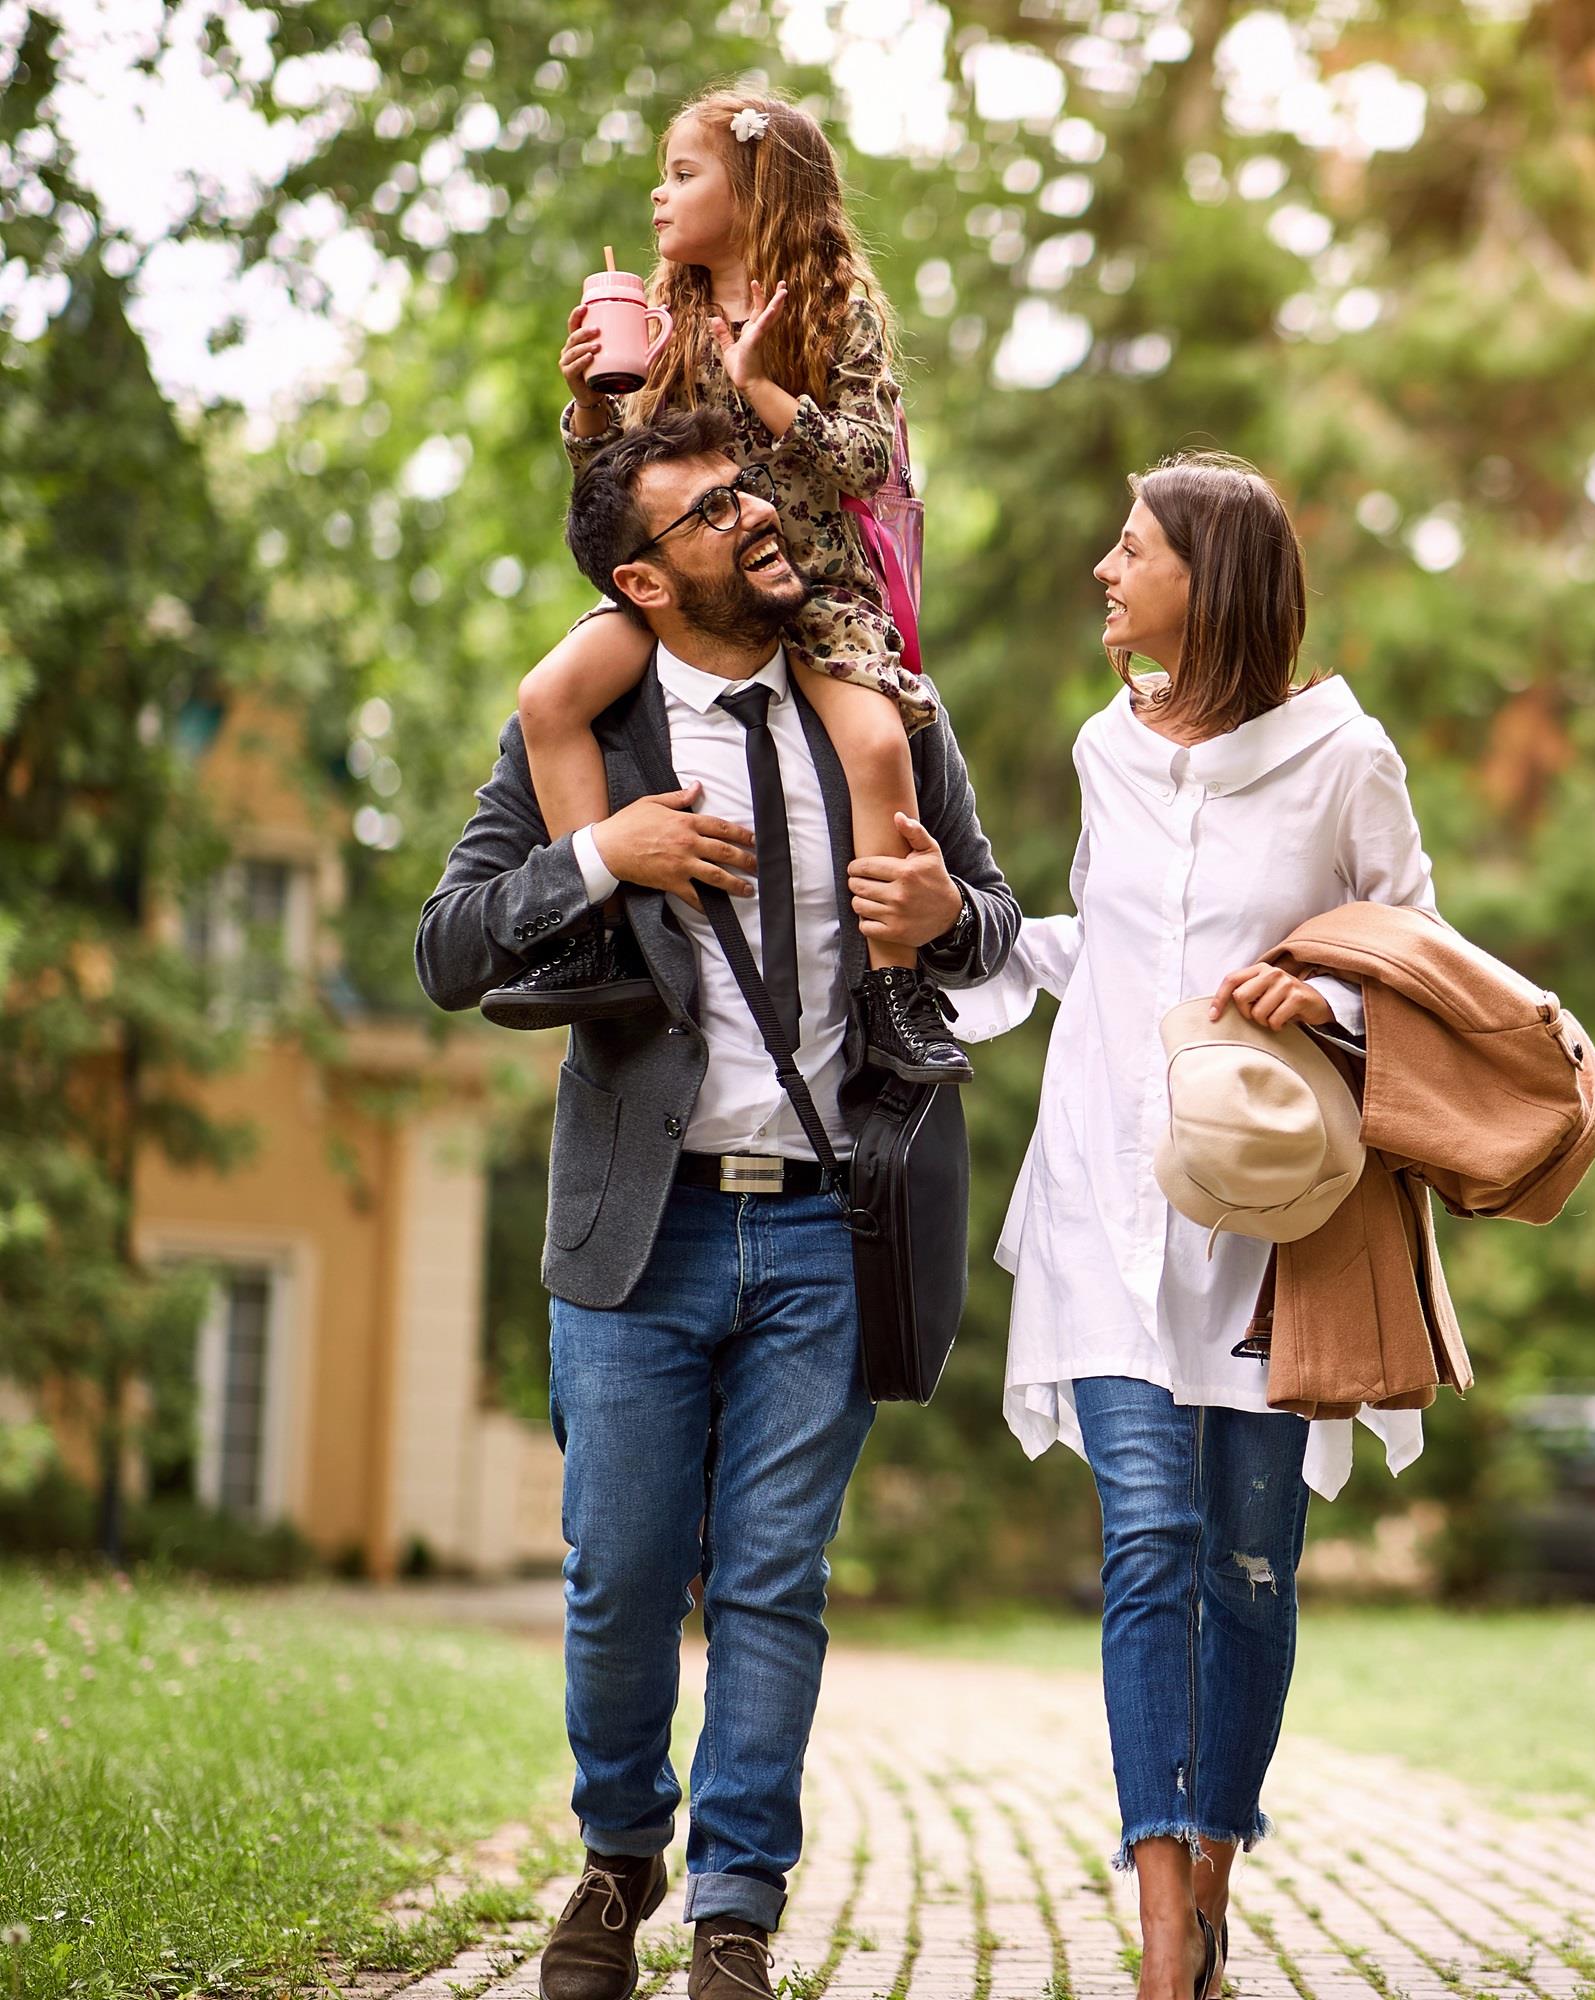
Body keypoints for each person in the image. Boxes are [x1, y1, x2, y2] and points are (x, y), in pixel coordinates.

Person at [413, 405, 1019, 2000]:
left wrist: (949, 916)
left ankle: (737, 1907)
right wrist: (604, 853)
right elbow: (449, 947)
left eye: (748, 489)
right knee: (618, 1574)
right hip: (639, 1227)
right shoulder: (588, 745)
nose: (754, 518)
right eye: (707, 513)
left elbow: (996, 927)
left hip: (828, 1221)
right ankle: (622, 1856)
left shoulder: (881, 712)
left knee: (772, 1579)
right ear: (642, 578)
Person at [950, 451, 1437, 2000]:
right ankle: (1165, 1935)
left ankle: (1214, 1862)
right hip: (1109, 1190)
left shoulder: (1342, 756)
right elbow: (1111, 937)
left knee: (1247, 1566)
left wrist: (1334, 991)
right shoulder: (1108, 747)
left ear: (1207, 580)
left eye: (1133, 546)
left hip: (1272, 1217)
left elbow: (1415, 949)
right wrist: (981, 946)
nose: (1104, 567)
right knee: (1147, 1542)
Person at [481, 83, 970, 1088]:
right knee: (549, 697)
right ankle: (598, 939)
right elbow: (622, 506)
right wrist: (590, 408)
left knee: (879, 741)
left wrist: (761, 390)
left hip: (814, 587)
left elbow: (871, 462)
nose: (658, 197)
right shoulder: (667, 315)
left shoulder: (840, 313)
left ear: (752, 191)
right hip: (698, 591)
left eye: (682, 174)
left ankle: (891, 990)